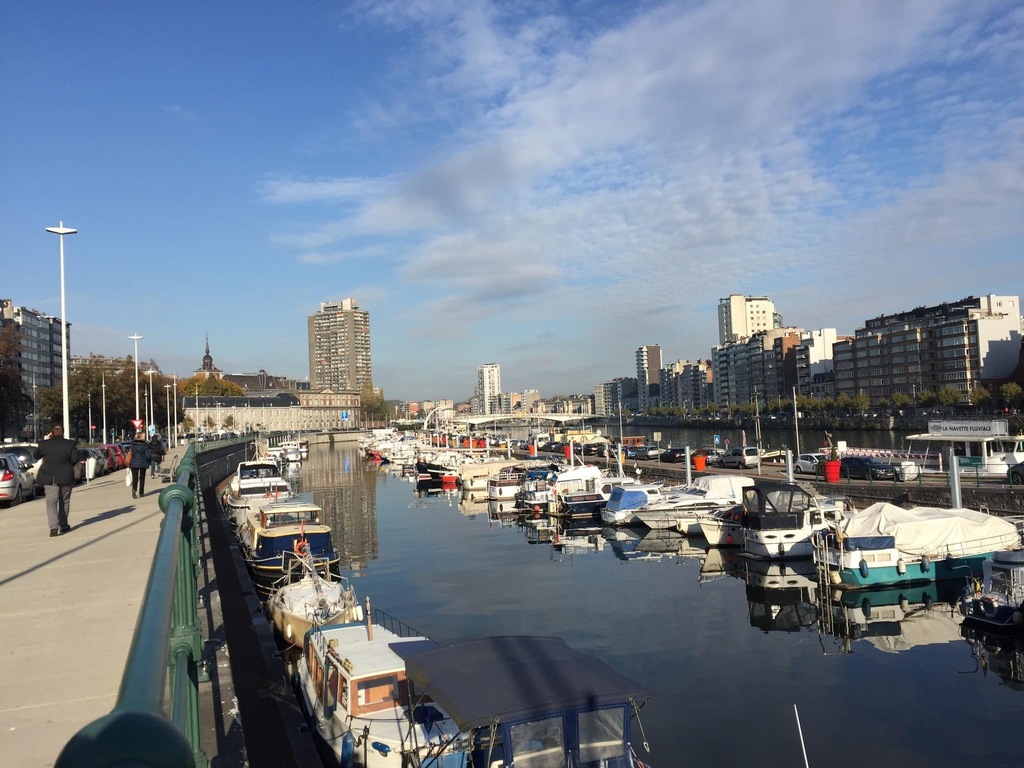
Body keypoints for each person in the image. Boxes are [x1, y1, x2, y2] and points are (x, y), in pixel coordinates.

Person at [33, 424, 81, 537]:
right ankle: (63, 525)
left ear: (51, 433)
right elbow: (75, 459)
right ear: (63, 433)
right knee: (65, 501)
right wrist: (67, 466)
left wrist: (46, 440)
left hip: (49, 477)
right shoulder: (70, 444)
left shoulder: (44, 444)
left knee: (51, 502)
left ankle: (53, 528)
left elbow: (36, 456)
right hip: (65, 475)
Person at [128, 431, 152, 499]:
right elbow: (147, 456)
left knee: (135, 478)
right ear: (142, 437)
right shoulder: (145, 446)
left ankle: (134, 490)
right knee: (142, 478)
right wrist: (149, 461)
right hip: (143, 463)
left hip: (134, 463)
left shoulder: (132, 445)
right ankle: (141, 493)